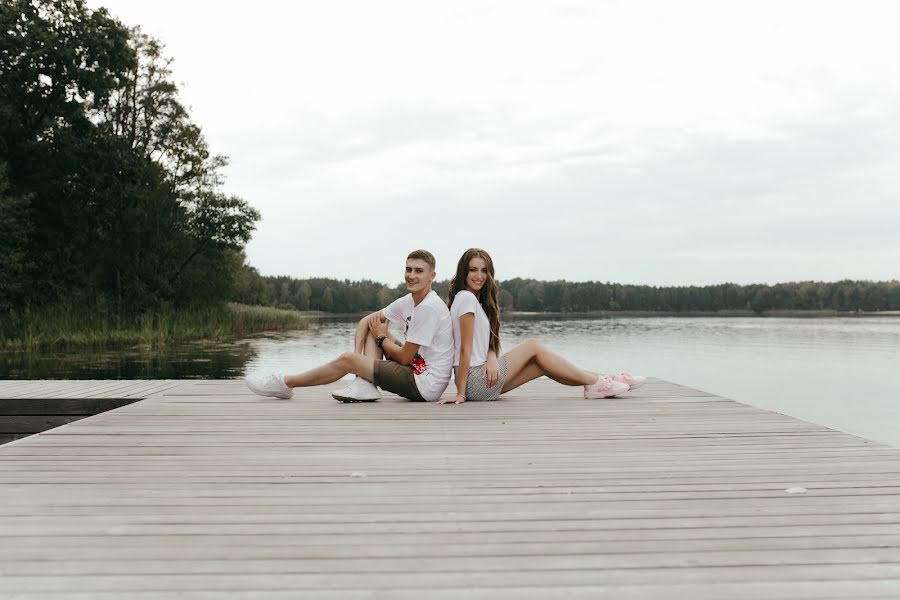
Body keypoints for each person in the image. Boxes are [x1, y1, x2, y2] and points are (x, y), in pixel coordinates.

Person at [439, 248, 646, 404]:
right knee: (533, 345)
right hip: (474, 381)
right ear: (464, 272)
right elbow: (465, 349)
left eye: (484, 270)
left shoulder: (475, 301)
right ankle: (601, 380)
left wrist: (492, 355)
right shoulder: (465, 298)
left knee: (541, 365)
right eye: (473, 270)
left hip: (482, 380)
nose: (479, 276)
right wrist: (460, 393)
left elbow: (481, 342)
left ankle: (599, 382)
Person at [246, 249, 455, 402]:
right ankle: (364, 384)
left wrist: (372, 347)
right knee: (375, 325)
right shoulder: (410, 301)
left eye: (419, 271)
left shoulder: (429, 307)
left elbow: (404, 357)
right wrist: (360, 363)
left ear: (432, 276)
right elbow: (366, 321)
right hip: (416, 366)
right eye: (408, 269)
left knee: (352, 354)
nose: (411, 275)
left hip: (424, 384)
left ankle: (284, 383)